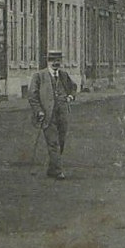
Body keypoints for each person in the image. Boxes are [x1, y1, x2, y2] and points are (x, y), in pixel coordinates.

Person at [28, 48, 78, 180]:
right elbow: (32, 96)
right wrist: (38, 110)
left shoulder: (63, 75)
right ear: (48, 61)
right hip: (47, 114)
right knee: (53, 142)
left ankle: (52, 168)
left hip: (62, 113)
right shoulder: (39, 76)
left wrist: (70, 97)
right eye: (52, 60)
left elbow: (73, 87)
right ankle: (57, 170)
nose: (55, 63)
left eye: (58, 60)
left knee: (61, 141)